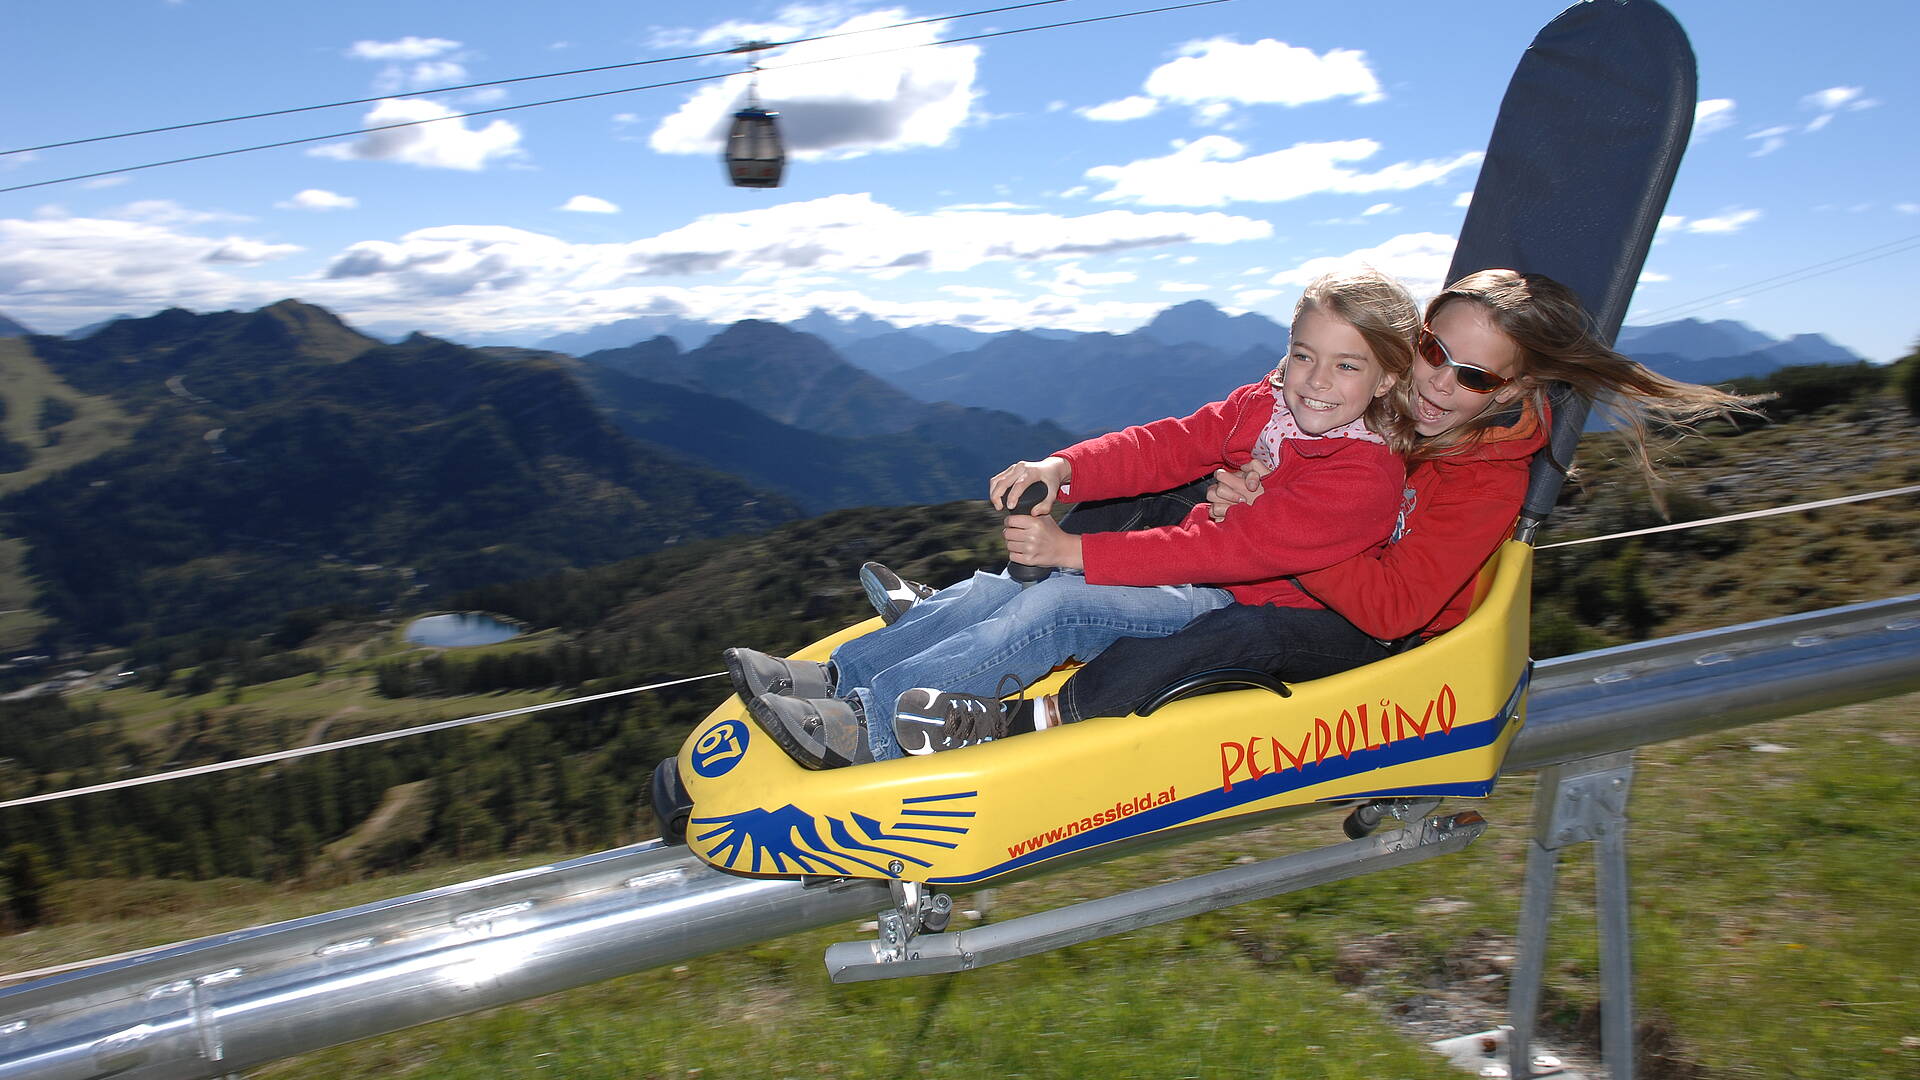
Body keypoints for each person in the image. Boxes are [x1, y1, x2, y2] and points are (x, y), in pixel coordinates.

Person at [876, 268, 1766, 745]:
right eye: (1429, 346)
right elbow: (1184, 442)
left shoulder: (1488, 475)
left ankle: (1041, 724)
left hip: (1367, 629)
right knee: (1078, 558)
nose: (1437, 378)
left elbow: (1393, 604)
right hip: (1272, 566)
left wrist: (1283, 527)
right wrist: (1069, 466)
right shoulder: (1371, 399)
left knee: (1224, 637)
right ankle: (949, 622)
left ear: (1515, 388)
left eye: (1472, 374)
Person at [724, 268, 1420, 769]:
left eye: (1345, 366)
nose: (1315, 381)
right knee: (1004, 589)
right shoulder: (1264, 405)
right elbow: (1168, 444)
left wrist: (1073, 553)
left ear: (1387, 379)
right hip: (1201, 574)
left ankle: (871, 729)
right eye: (1303, 355)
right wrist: (1064, 468)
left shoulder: (1364, 475)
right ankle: (842, 677)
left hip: (1232, 605)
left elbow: (1232, 552)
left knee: (1058, 604)